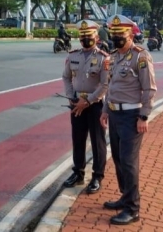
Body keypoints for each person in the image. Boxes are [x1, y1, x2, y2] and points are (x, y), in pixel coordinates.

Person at [100, 14, 157, 226]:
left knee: (128, 162)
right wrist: (105, 109)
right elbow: (111, 86)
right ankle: (125, 197)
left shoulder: (140, 57)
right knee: (117, 158)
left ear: (130, 34)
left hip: (132, 117)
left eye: (121, 34)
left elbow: (149, 88)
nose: (116, 38)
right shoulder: (114, 57)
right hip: (114, 114)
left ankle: (133, 209)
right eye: (114, 34)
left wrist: (144, 116)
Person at [61, 19, 110, 195]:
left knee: (98, 142)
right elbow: (66, 77)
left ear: (96, 37)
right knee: (78, 139)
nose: (85, 40)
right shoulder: (72, 56)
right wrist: (70, 97)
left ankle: (97, 176)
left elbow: (105, 85)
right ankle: (78, 173)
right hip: (76, 103)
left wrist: (88, 101)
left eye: (89, 37)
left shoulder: (104, 58)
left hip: (95, 104)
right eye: (82, 38)